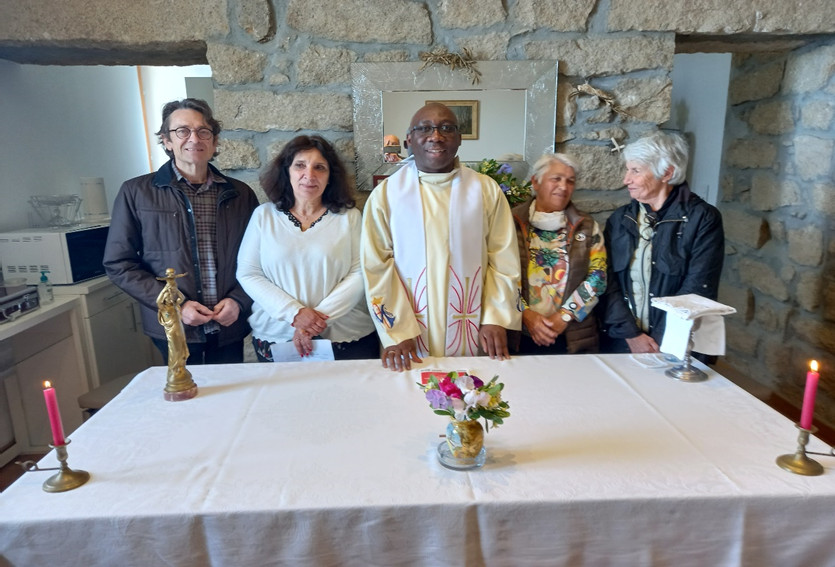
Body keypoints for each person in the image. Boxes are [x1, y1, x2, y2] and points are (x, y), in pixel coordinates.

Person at [362, 102, 522, 372]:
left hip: (474, 327)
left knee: (474, 399)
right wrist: (397, 331)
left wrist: (497, 317)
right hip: (408, 337)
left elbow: (504, 257)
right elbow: (376, 266)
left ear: (459, 138)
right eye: (425, 128)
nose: (435, 136)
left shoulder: (485, 190)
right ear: (409, 139)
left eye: (446, 128)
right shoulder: (387, 194)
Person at [104, 98, 259, 365]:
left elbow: (262, 259)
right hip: (173, 328)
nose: (194, 138)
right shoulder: (136, 193)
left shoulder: (240, 194)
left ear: (214, 141)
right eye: (182, 131)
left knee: (230, 400)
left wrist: (239, 300)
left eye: (203, 131)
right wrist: (176, 305)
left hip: (229, 324)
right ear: (166, 140)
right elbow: (119, 264)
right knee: (184, 401)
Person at [236, 135, 378, 361]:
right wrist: (295, 314)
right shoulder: (264, 216)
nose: (309, 175)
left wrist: (312, 323)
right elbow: (248, 272)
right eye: (300, 165)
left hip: (347, 338)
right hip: (277, 336)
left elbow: (360, 272)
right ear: (287, 171)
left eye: (319, 168)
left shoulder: (349, 218)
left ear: (330, 176)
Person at [602, 130, 724, 354]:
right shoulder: (620, 220)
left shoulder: (703, 219)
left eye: (635, 171)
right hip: (623, 341)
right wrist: (631, 335)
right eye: (628, 170)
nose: (626, 179)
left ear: (666, 173)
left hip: (678, 343)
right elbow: (608, 281)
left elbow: (698, 287)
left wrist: (661, 340)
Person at [510, 153, 607, 354]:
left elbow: (598, 277)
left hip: (571, 335)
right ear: (535, 182)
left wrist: (564, 315)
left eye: (570, 181)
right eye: (556, 179)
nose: (563, 187)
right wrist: (526, 314)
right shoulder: (511, 223)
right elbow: (499, 275)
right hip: (519, 334)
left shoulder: (586, 227)